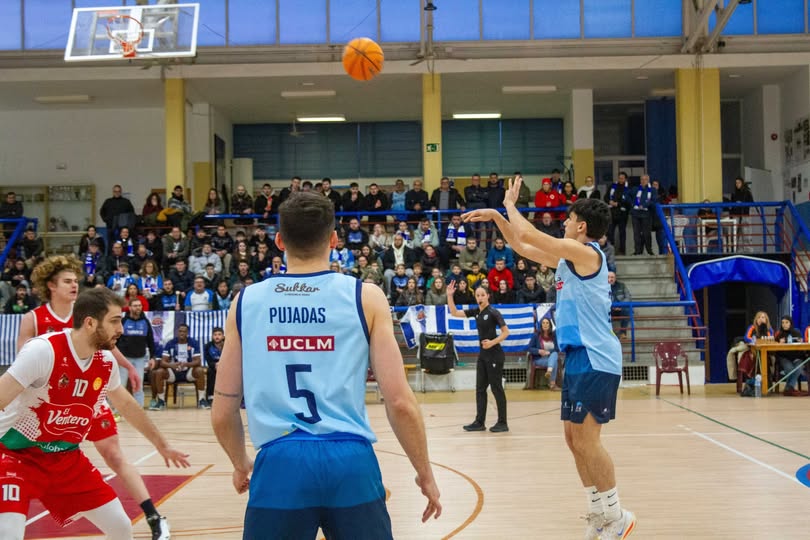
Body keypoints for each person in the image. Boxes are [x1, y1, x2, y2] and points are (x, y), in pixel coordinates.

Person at [211, 192, 441, 539]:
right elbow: (399, 402)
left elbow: (222, 410)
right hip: (350, 461)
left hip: (279, 462)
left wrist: (240, 462)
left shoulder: (245, 303)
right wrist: (424, 472)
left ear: (278, 240)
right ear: (334, 239)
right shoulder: (366, 297)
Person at [463, 181, 637, 538]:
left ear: (582, 227)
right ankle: (598, 513)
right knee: (573, 441)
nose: (565, 224)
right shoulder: (566, 261)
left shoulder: (588, 255)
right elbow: (521, 244)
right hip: (575, 355)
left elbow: (529, 231)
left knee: (588, 441)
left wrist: (510, 205)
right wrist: (497, 214)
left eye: (569, 220)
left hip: (596, 356)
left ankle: (618, 515)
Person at [0, 287, 189, 540]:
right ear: (89, 323)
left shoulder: (105, 362)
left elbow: (127, 406)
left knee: (121, 527)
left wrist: (162, 445)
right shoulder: (43, 351)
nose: (120, 329)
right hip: (15, 456)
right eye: (114, 321)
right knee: (8, 533)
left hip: (66, 460)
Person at [447, 280, 510, 432]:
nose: (480, 297)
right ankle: (479, 422)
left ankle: (503, 422)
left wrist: (492, 342)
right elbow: (455, 312)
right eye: (477, 295)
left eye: (482, 295)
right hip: (483, 356)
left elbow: (506, 332)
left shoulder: (494, 312)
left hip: (495, 355)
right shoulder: (476, 312)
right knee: (480, 389)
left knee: (496, 389)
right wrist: (450, 296)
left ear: (488, 296)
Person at [150, 324, 209, 410]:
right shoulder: (170, 343)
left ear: (187, 333)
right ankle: (161, 401)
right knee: (159, 372)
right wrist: (172, 365)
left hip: (188, 372)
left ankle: (201, 400)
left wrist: (186, 364)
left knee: (200, 370)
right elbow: (162, 362)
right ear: (177, 332)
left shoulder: (193, 343)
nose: (182, 333)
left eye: (184, 331)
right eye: (180, 331)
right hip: (173, 372)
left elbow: (198, 361)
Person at [116, 297, 156, 407]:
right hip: (124, 359)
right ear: (129, 307)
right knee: (120, 385)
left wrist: (152, 357)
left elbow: (151, 341)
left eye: (139, 305)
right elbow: (116, 339)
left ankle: (139, 410)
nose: (138, 307)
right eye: (135, 305)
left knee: (138, 386)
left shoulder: (146, 322)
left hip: (139, 358)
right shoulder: (123, 321)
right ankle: (116, 411)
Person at [774, 316, 808, 396]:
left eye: (786, 322)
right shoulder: (779, 334)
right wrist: (779, 343)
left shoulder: (796, 332)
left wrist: (801, 341)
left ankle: (788, 388)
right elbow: (774, 347)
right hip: (784, 357)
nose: (784, 324)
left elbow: (801, 344)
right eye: (782, 323)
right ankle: (790, 389)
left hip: (797, 357)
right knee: (790, 369)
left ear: (790, 323)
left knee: (798, 369)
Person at [528, 317, 559, 390]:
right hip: (540, 359)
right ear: (541, 325)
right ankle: (552, 384)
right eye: (543, 323)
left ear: (550, 325)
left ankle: (549, 370)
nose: (545, 324)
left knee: (554, 354)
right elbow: (530, 348)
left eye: (547, 323)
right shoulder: (536, 336)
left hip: (550, 357)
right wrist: (539, 351)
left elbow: (557, 348)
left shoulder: (554, 336)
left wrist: (548, 352)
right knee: (555, 362)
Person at [204, 326, 225, 402]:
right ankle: (210, 396)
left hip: (227, 366)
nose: (217, 337)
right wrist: (215, 365)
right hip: (214, 367)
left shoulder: (228, 344)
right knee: (210, 371)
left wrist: (223, 364)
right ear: (212, 336)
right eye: (215, 335)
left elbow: (232, 357)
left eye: (219, 334)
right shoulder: (208, 346)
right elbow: (208, 361)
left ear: (223, 336)